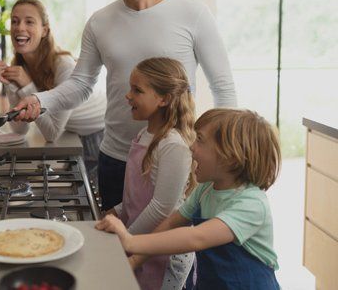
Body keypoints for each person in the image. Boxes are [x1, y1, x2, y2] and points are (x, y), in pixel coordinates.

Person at [11, 0, 237, 210]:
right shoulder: (99, 22)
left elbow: (223, 87)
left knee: (172, 252)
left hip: (176, 159)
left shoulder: (192, 13)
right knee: (115, 249)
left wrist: (222, 149)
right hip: (116, 158)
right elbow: (81, 84)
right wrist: (38, 100)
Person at [96, 109, 282, 290]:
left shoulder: (252, 205)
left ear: (231, 158)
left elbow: (197, 237)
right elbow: (170, 223)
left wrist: (130, 241)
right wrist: (135, 259)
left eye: (200, 140)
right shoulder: (205, 189)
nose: (192, 146)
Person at [0, 0, 106, 182]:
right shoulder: (22, 66)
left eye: (29, 21)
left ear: (44, 30)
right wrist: (10, 83)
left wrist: (28, 85)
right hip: (72, 133)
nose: (19, 27)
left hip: (97, 136)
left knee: (95, 205)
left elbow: (52, 134)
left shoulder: (63, 65)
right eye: (14, 21)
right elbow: (19, 129)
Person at [111, 57, 196, 290]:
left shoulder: (173, 145)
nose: (128, 96)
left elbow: (162, 208)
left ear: (164, 99)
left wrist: (127, 239)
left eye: (137, 90)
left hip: (163, 252)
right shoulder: (142, 136)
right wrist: (114, 212)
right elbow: (136, 195)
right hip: (140, 241)